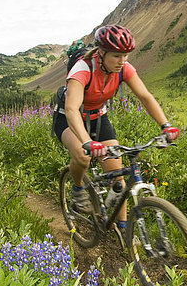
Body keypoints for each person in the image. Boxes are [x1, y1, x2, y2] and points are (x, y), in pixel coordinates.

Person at [53, 24, 179, 232]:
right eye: (116, 56)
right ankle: (77, 188)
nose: (122, 62)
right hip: (68, 118)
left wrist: (166, 126)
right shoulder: (83, 69)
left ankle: (124, 232)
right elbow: (72, 109)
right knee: (83, 156)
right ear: (101, 52)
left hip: (98, 117)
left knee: (118, 179)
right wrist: (87, 142)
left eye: (126, 56)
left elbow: (145, 97)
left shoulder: (124, 69)